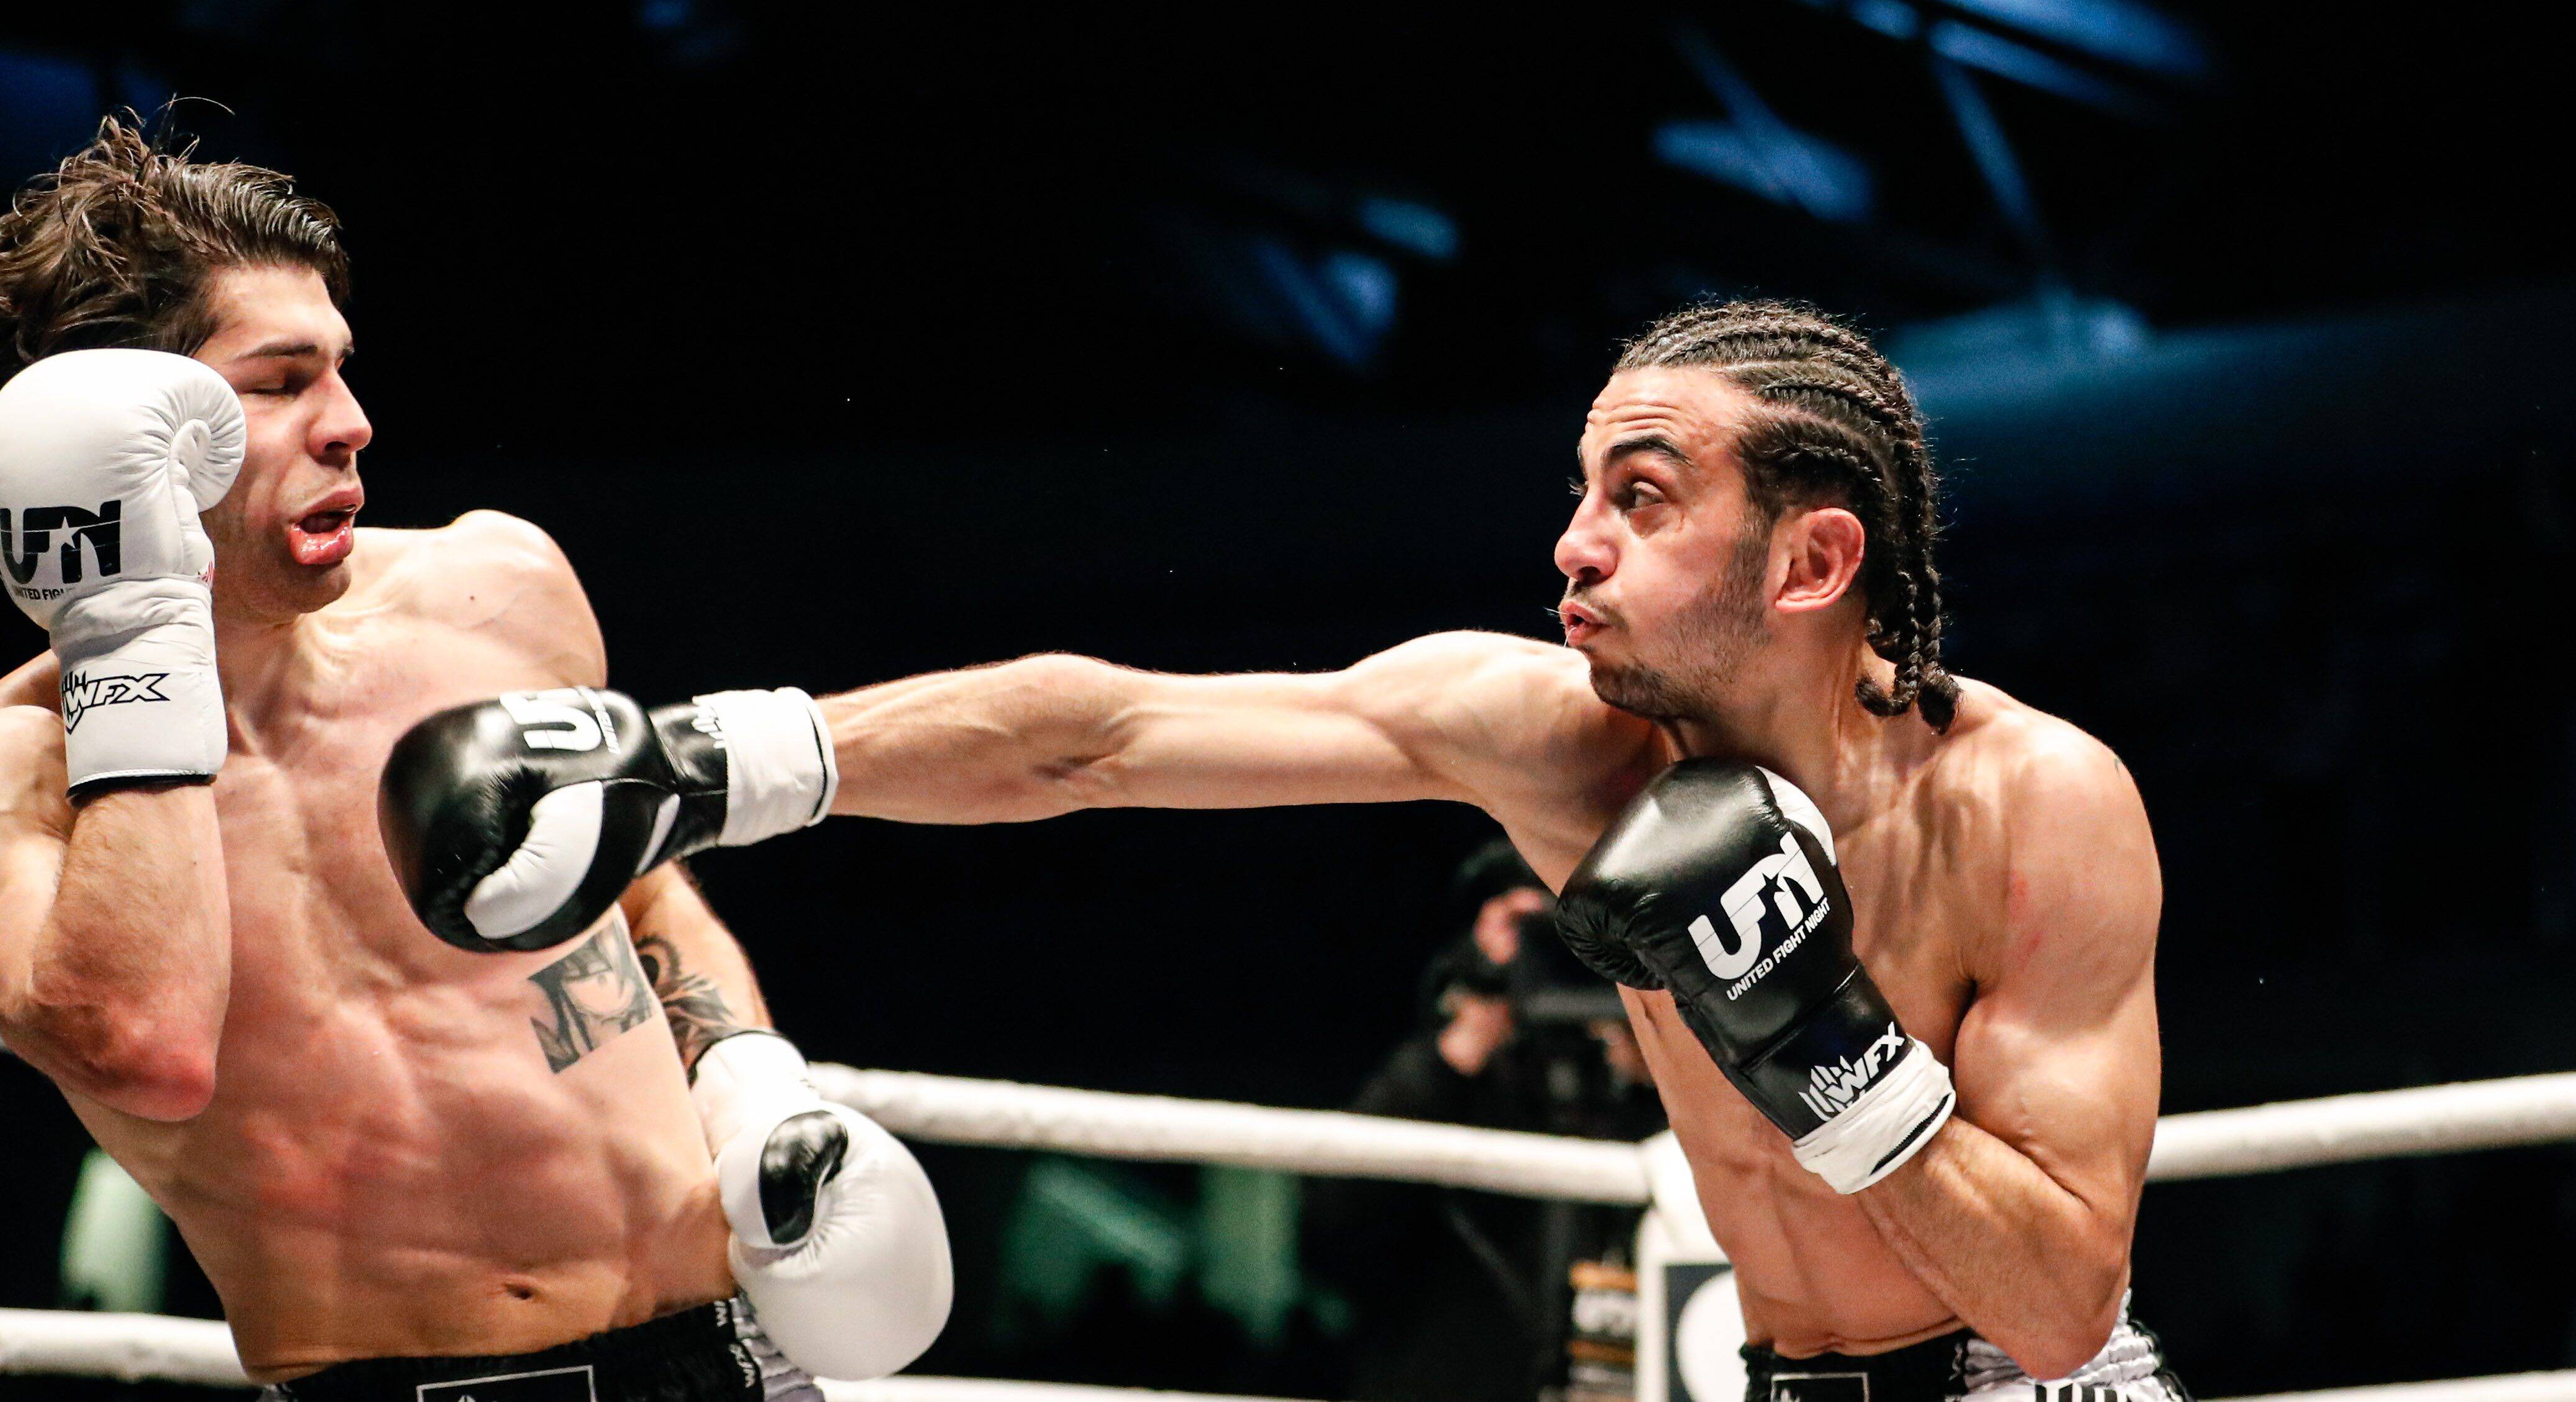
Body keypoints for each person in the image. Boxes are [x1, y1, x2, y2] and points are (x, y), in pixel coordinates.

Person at [389, 298, 2181, 1402]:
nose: (1571, 547)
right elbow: (1102, 736)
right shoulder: (1556, 745)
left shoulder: (2035, 806)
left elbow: (2053, 1298)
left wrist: (1821, 1036)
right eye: (1579, 490)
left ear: (1808, 565)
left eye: (1639, 499)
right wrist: (713, 761)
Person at [0, 116, 951, 1397]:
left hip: (730, 1360)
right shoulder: (22, 777)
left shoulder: (492, 591)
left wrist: (752, 1080)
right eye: (280, 382)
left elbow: (633, 878)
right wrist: (132, 627)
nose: (351, 424)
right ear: (134, 436)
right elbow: (143, 1044)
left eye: (341, 368)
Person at [1301, 840, 1661, 1402]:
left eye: (1587, 943)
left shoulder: (1640, 1087)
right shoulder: (1448, 1087)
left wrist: (1661, 1063)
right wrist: (1465, 1040)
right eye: (1547, 936)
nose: (1566, 958)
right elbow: (1333, 1231)